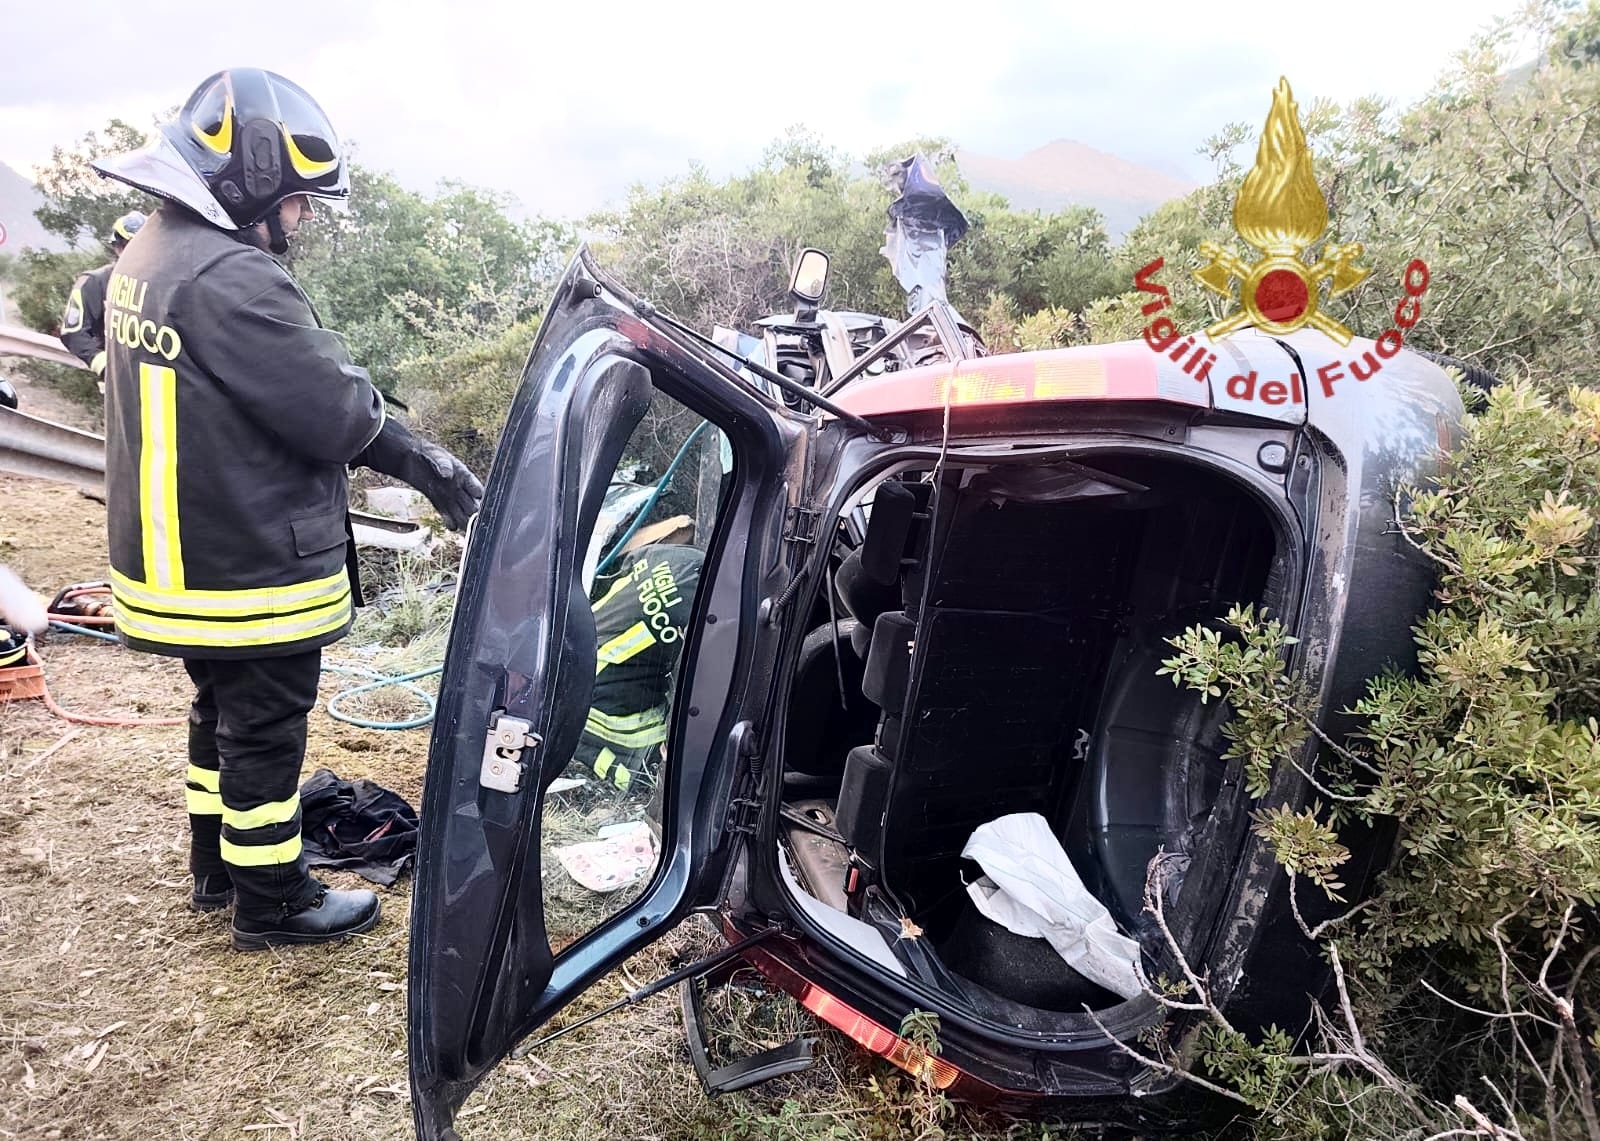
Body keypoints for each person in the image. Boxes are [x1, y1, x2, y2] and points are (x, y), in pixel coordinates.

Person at [89, 68, 484, 952]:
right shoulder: (234, 279)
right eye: (299, 200)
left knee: (219, 714)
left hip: (176, 564)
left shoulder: (151, 254)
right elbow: (340, 410)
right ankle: (274, 899)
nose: (302, 219)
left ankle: (214, 864)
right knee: (266, 731)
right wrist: (437, 469)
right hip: (245, 567)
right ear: (253, 177)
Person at [59, 210, 147, 383]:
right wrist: (105, 366)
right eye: (128, 246)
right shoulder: (95, 282)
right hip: (116, 387)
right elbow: (73, 332)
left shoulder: (159, 284)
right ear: (118, 247)